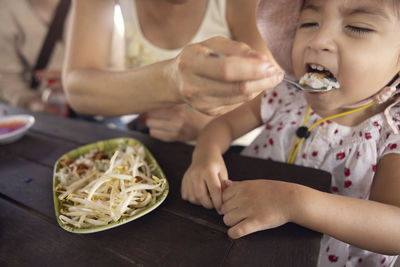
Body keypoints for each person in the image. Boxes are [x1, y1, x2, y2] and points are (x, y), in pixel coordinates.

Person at [181, 0, 400, 266]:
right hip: (243, 242)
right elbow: (223, 125)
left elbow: (395, 228)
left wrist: (293, 202)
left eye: (357, 27)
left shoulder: (392, 131)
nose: (318, 40)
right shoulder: (287, 94)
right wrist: (205, 156)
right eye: (308, 23)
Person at [62, 0, 283, 142]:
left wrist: (209, 127)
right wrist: (171, 81)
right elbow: (78, 89)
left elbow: (269, 91)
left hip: (234, 148)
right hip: (153, 147)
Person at [0, 0, 66, 113]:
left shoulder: (93, 6)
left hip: (90, 105)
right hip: (39, 109)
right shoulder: (6, 8)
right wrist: (31, 103)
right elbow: (7, 77)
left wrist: (75, 84)